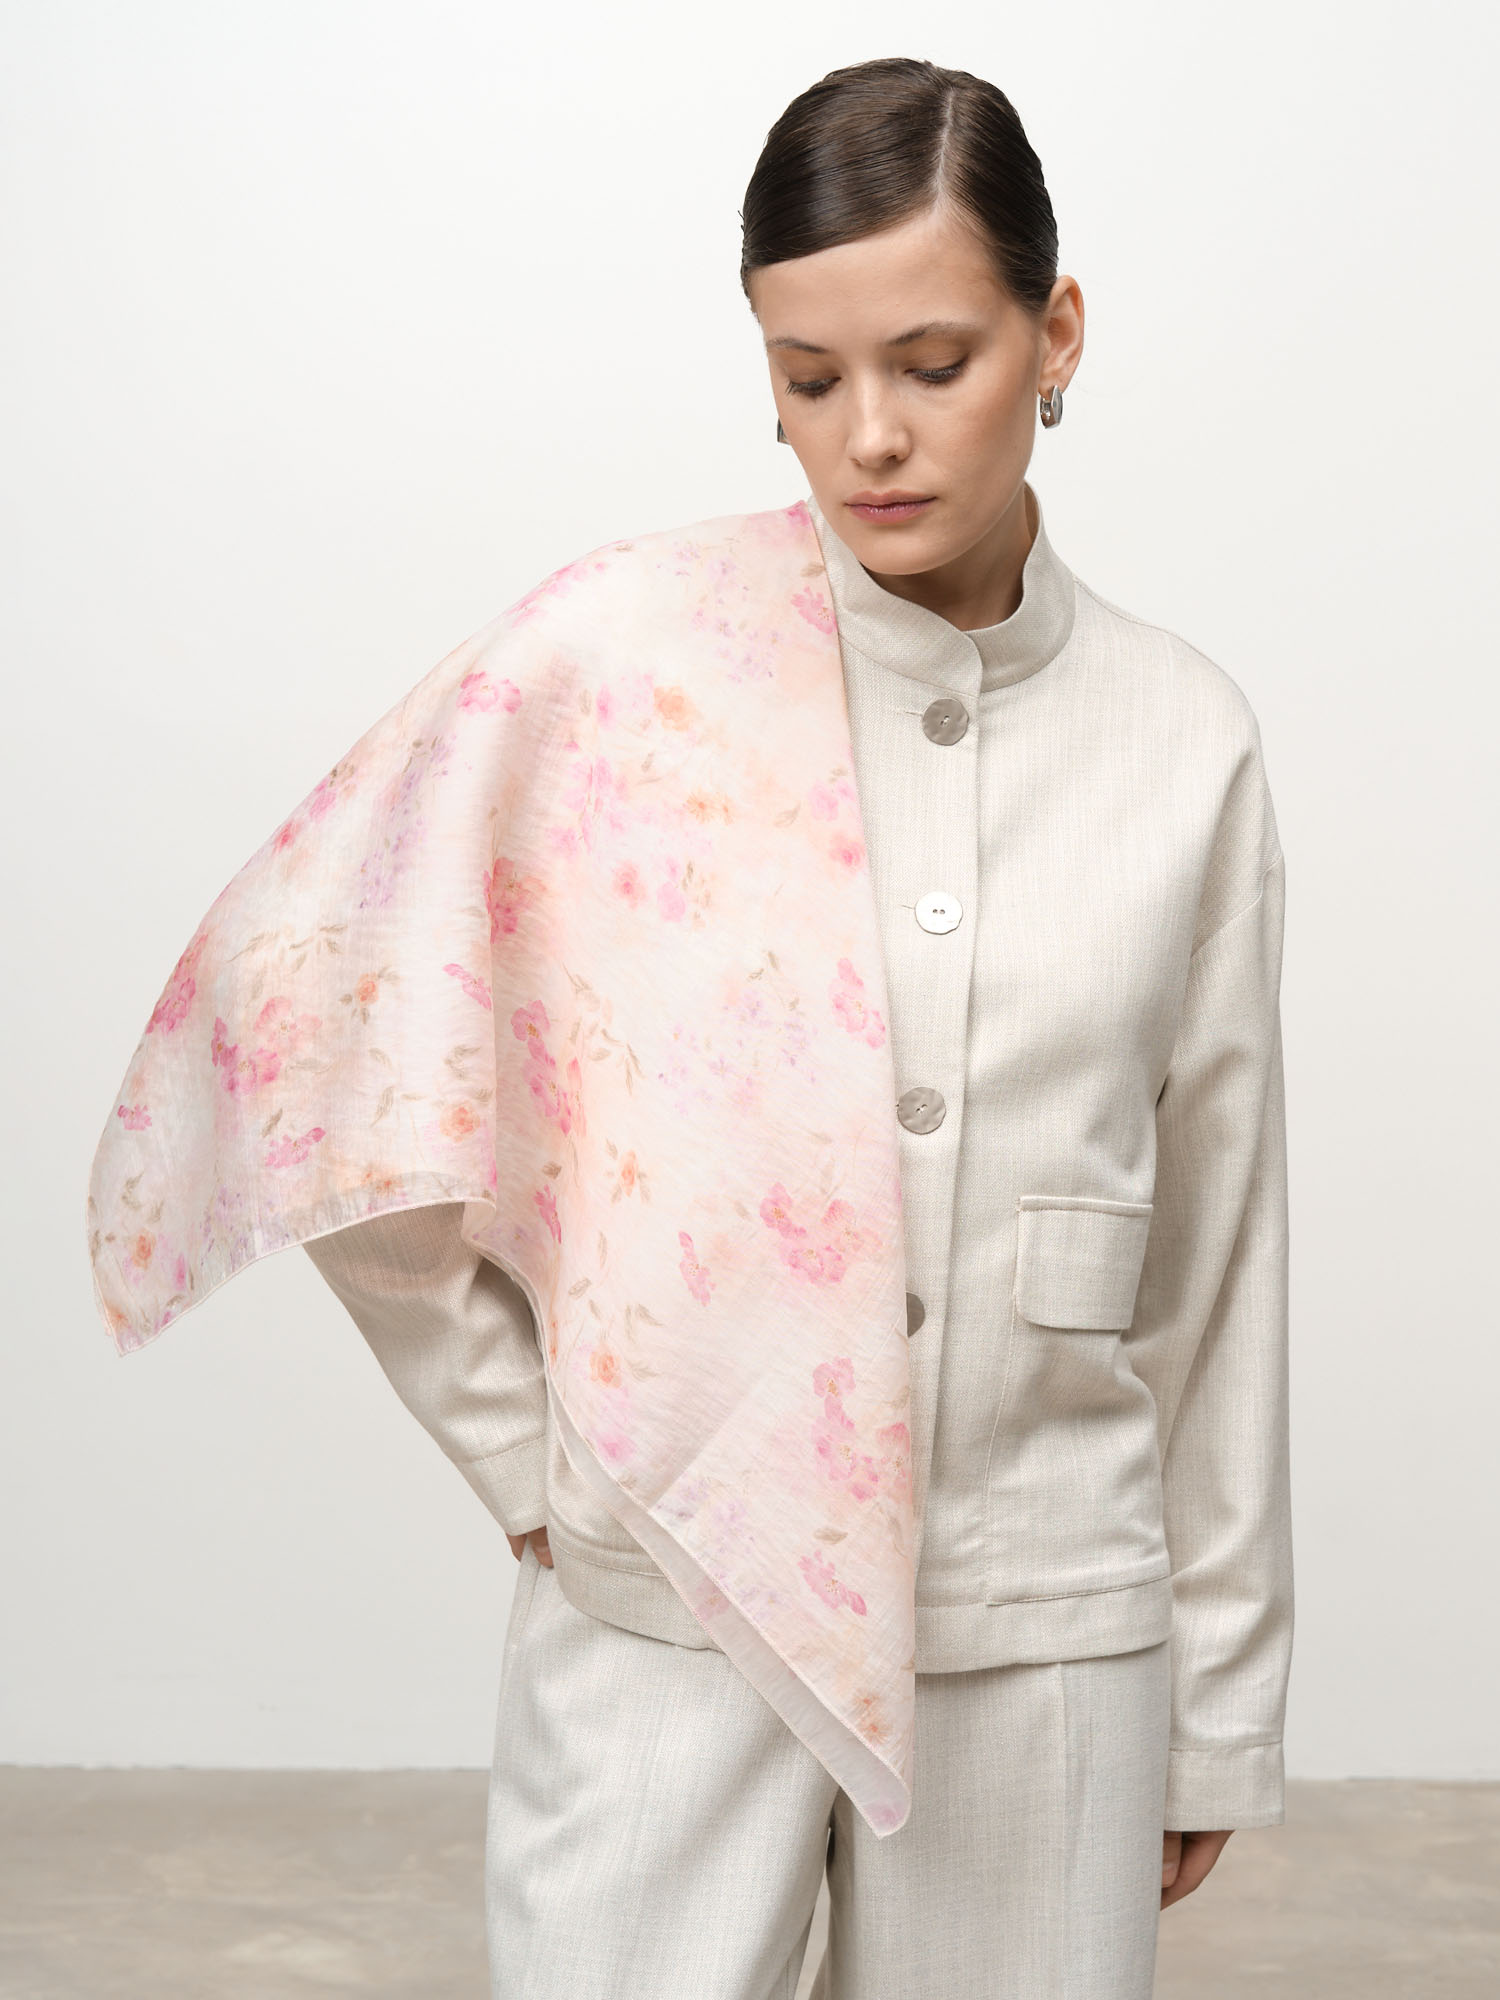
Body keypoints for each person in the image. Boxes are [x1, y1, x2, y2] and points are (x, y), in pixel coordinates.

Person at [88, 55, 1290, 2000]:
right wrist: (534, 1468)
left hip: (1045, 1626)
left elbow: (1219, 1254)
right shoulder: (619, 662)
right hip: (674, 1601)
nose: (870, 436)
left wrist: (1217, 1703)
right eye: (808, 378)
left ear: (1056, 333)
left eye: (933, 362)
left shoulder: (1184, 738)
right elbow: (319, 1031)